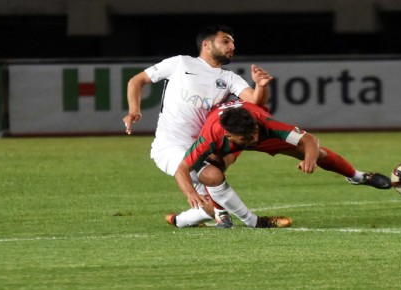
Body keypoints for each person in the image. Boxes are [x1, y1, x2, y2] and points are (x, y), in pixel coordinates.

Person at [123, 25, 291, 228]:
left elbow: (254, 102)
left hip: (200, 146)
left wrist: (261, 86)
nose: (232, 47)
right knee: (213, 176)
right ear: (206, 44)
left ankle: (179, 221)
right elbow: (136, 80)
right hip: (169, 145)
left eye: (233, 43)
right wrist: (134, 110)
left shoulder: (228, 78)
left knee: (212, 207)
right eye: (226, 41)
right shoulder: (180, 63)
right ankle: (256, 222)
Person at [169, 100, 392, 228]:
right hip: (224, 148)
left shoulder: (263, 125)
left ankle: (357, 176)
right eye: (247, 139)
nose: (253, 140)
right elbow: (182, 169)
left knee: (320, 154)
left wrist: (309, 158)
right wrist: (190, 192)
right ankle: (222, 214)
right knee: (212, 172)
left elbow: (309, 140)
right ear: (228, 135)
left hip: (260, 138)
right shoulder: (210, 138)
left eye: (254, 133)